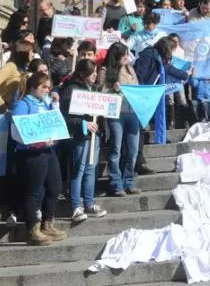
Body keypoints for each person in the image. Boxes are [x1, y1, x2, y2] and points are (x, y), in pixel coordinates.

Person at [12, 72, 68, 246]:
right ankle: (32, 229)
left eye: (48, 87)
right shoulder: (24, 104)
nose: (47, 90)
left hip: (48, 150)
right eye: (43, 87)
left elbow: (56, 120)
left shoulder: (46, 103)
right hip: (32, 153)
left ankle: (47, 222)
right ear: (33, 87)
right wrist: (34, 141)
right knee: (34, 190)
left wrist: (56, 104)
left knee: (55, 185)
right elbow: (17, 128)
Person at [59, 60, 108, 224]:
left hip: (94, 135)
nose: (95, 75)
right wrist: (83, 124)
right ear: (82, 74)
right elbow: (64, 116)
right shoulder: (71, 90)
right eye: (92, 72)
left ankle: (89, 202)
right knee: (78, 170)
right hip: (80, 136)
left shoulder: (93, 88)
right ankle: (75, 206)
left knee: (90, 169)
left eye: (95, 72)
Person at [101, 42, 141, 197]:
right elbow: (101, 92)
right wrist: (112, 89)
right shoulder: (105, 70)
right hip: (115, 114)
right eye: (124, 54)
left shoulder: (130, 68)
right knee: (116, 149)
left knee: (133, 150)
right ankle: (116, 183)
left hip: (132, 112)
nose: (126, 57)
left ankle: (128, 181)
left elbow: (136, 87)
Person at [0, 40, 35, 112]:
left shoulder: (27, 69)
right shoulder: (11, 66)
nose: (33, 54)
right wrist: (0, 104)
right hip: (5, 110)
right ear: (24, 53)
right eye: (31, 52)